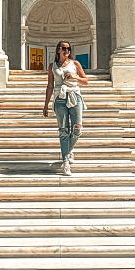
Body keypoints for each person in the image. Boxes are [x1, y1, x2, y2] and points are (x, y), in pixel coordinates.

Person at [42, 40, 88, 176]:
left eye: (68, 48)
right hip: (60, 98)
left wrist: (76, 77)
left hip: (75, 95)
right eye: (64, 48)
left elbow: (85, 81)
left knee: (78, 128)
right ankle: (66, 162)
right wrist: (46, 105)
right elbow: (50, 85)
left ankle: (68, 150)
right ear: (58, 50)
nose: (67, 50)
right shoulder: (52, 66)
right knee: (63, 130)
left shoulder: (75, 64)